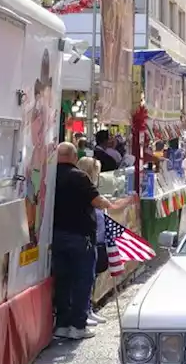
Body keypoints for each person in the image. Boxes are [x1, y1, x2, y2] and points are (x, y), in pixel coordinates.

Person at [51, 143, 137, 340]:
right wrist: (118, 203)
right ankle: (78, 326)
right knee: (83, 280)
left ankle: (62, 324)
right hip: (80, 236)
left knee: (63, 281)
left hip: (57, 235)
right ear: (74, 157)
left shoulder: (50, 174)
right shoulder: (78, 176)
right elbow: (98, 202)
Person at [76, 156, 110, 327]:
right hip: (88, 239)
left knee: (91, 278)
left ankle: (89, 309)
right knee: (84, 279)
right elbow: (102, 204)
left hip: (96, 239)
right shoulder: (84, 188)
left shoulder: (90, 188)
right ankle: (84, 312)